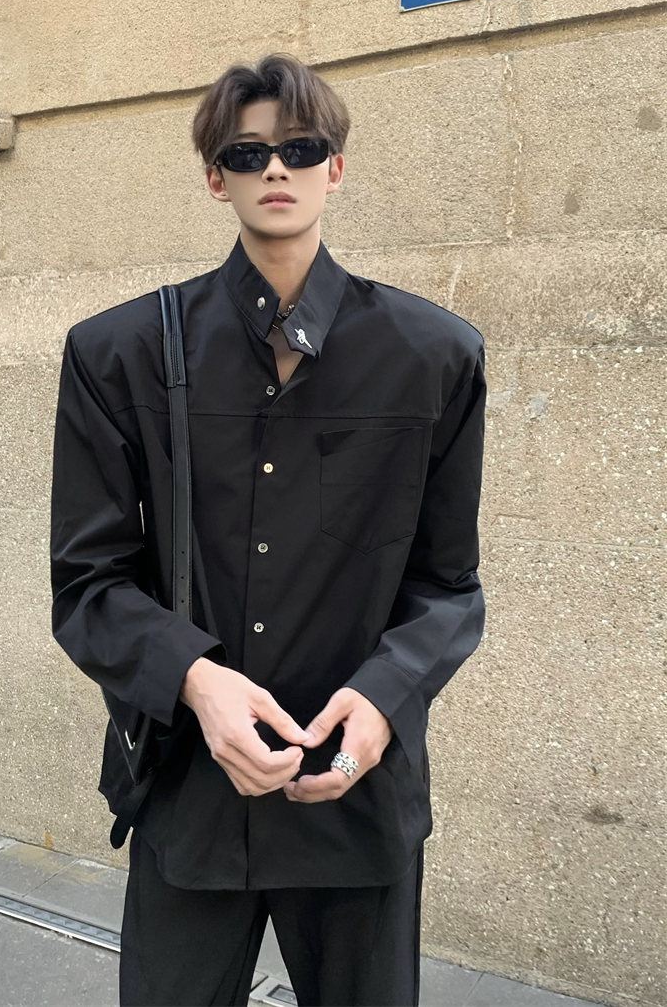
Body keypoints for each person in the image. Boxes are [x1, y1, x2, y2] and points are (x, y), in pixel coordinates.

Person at [49, 52, 486, 1007]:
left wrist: (383, 701)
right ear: (217, 178)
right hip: (192, 794)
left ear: (337, 167)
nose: (276, 168)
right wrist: (196, 681)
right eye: (248, 154)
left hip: (356, 791)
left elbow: (448, 587)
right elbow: (87, 584)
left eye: (302, 148)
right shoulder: (117, 353)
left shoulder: (434, 356)